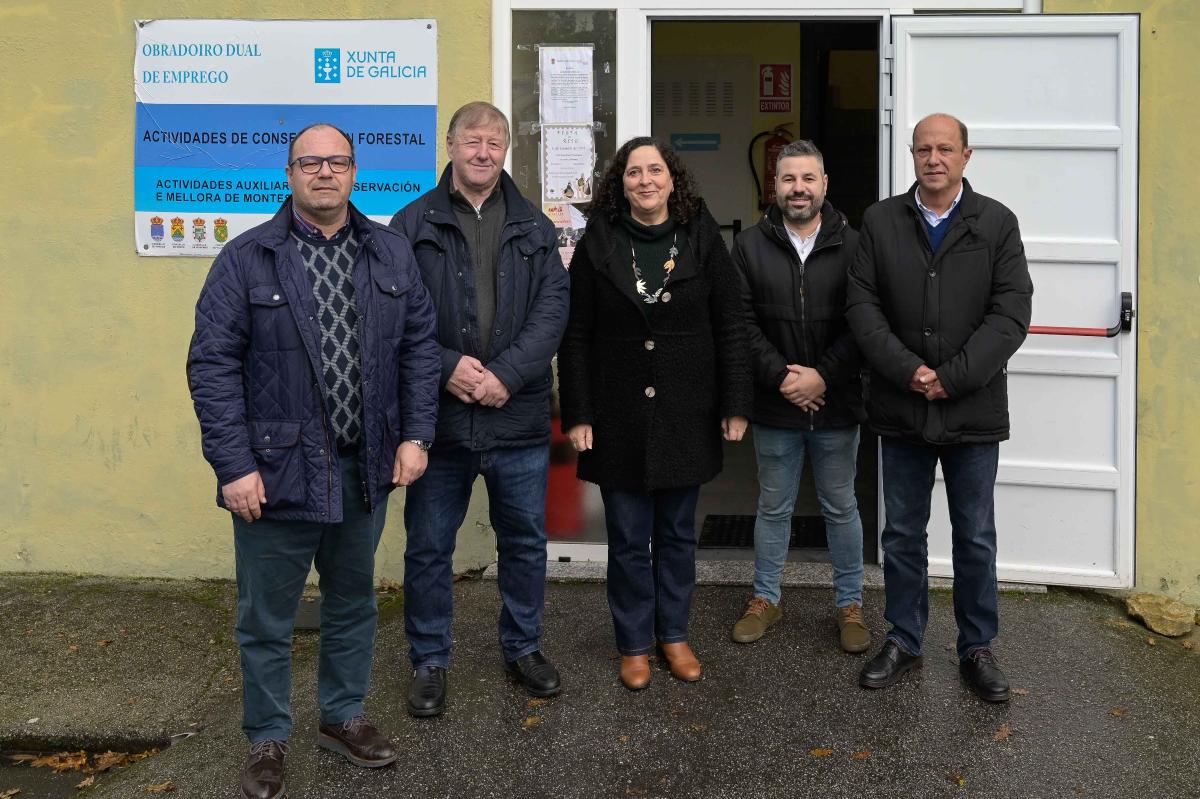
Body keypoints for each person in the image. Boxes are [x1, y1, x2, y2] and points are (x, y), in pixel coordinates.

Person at [187, 122, 441, 799]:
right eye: (310, 162)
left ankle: (342, 716)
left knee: (353, 603)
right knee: (267, 618)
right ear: (290, 174)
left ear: (354, 172)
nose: (324, 172)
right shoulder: (246, 258)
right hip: (274, 476)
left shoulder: (389, 252)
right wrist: (233, 466)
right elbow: (211, 366)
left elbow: (420, 348)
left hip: (364, 469)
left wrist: (416, 435)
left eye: (337, 162)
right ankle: (268, 737)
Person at [390, 102, 570, 717]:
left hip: (515, 418)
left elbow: (552, 311)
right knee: (428, 547)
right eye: (472, 140)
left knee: (524, 543)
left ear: (506, 150)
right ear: (450, 145)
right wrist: (446, 367)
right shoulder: (412, 222)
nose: (483, 152)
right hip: (437, 421)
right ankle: (429, 659)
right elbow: (397, 312)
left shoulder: (535, 225)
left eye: (494, 142)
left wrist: (507, 375)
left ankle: (523, 647)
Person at [846, 113, 1032, 702]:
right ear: (912, 155)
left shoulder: (996, 222)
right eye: (924, 149)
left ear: (965, 156)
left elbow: (1011, 313)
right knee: (902, 534)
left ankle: (977, 647)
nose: (934, 159)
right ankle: (904, 638)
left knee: (974, 535)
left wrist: (952, 378)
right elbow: (863, 309)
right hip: (900, 408)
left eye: (945, 149)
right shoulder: (880, 221)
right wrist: (910, 371)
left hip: (972, 409)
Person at [557, 136, 753, 691]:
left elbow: (731, 323)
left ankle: (674, 635)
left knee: (676, 536)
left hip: (686, 412)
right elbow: (576, 334)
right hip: (616, 413)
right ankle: (634, 644)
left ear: (673, 180)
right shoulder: (599, 243)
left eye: (655, 170)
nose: (645, 180)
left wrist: (736, 402)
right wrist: (578, 412)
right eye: (633, 172)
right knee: (626, 538)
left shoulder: (701, 238)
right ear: (621, 185)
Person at [729, 139, 870, 653]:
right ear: (775, 185)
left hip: (836, 403)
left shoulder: (856, 245)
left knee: (841, 506)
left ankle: (850, 604)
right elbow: (740, 322)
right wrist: (786, 379)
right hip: (776, 403)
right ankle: (765, 598)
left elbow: (865, 322)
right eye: (789, 178)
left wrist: (822, 377)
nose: (798, 188)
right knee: (773, 506)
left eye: (808, 178)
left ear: (824, 184)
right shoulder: (749, 246)